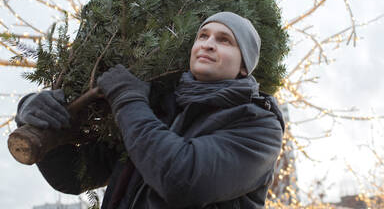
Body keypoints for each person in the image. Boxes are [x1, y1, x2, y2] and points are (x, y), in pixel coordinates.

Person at [15, 11, 285, 209]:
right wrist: (32, 113)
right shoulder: (159, 109)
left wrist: (127, 99)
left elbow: (183, 179)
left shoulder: (258, 126)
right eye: (203, 35)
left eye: (225, 40)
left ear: (243, 66)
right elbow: (72, 177)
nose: (208, 43)